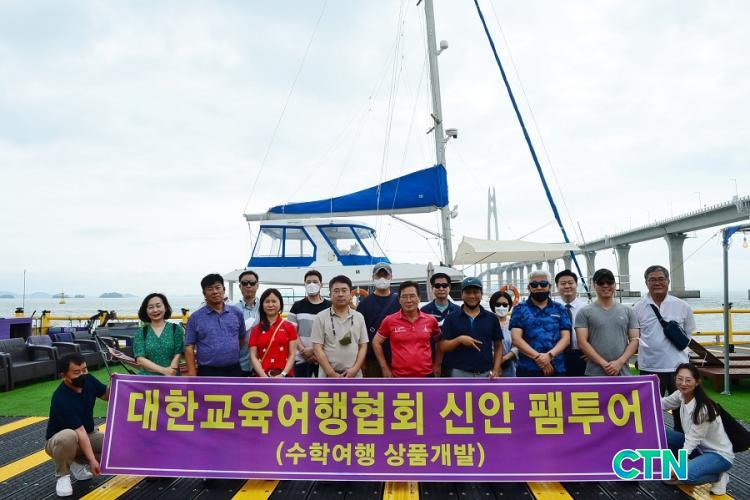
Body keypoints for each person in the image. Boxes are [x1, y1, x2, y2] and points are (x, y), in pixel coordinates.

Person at [662, 363, 732, 495]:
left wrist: (678, 467)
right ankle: (695, 465)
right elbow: (661, 403)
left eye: (688, 380)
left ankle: (719, 475)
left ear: (697, 382)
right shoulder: (680, 394)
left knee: (684, 474)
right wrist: (652, 386)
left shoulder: (702, 409)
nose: (683, 383)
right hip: (699, 448)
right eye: (679, 379)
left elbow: (691, 441)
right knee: (661, 436)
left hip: (718, 454)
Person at [45, 353, 109, 497]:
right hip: (59, 442)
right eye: (76, 372)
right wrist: (92, 460)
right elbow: (79, 432)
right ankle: (63, 476)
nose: (82, 375)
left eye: (84, 370)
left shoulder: (89, 380)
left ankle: (75, 462)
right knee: (69, 436)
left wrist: (117, 382)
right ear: (64, 375)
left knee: (112, 447)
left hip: (88, 434)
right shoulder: (61, 397)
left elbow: (107, 395)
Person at [634, 265, 696, 395]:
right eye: (652, 280)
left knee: (681, 405)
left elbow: (689, 333)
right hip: (649, 366)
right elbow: (635, 337)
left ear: (668, 281)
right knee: (650, 405)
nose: (657, 283)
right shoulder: (637, 308)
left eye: (661, 279)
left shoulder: (683, 306)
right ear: (646, 283)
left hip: (679, 367)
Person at [575, 269, 640, 376]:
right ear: (594, 285)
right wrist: (604, 364)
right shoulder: (584, 312)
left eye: (609, 282)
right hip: (594, 373)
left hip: (623, 372)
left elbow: (635, 340)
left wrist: (619, 362)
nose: (605, 285)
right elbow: (582, 342)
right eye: (601, 283)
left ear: (615, 285)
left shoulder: (628, 311)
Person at [373, 280, 441, 378]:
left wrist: (437, 364)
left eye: (412, 296)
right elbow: (376, 342)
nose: (408, 300)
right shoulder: (389, 320)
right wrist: (384, 368)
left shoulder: (431, 320)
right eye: (404, 297)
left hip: (426, 375)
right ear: (399, 300)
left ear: (419, 298)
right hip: (399, 377)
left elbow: (439, 341)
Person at [510, 270, 571, 377]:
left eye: (543, 284)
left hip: (557, 367)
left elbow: (566, 339)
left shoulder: (560, 308)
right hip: (527, 368)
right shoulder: (519, 309)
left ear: (549, 286)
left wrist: (549, 356)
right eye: (534, 284)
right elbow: (516, 339)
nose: (539, 287)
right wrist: (539, 358)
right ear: (529, 288)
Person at [439, 277, 504, 378]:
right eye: (468, 292)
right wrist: (459, 340)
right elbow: (443, 346)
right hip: (459, 373)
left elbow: (498, 346)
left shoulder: (492, 318)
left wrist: (496, 368)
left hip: (486, 374)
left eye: (476, 292)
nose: (472, 296)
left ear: (481, 294)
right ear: (462, 294)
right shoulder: (451, 318)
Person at [185, 273, 246, 377]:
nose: (215, 292)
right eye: (210, 289)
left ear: (224, 289)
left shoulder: (236, 313)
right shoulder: (195, 317)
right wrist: (192, 374)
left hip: (234, 369)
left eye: (218, 287)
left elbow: (241, 338)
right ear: (204, 294)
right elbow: (189, 346)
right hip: (207, 371)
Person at [311, 275, 368, 378]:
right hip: (327, 376)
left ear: (350, 294)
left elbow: (363, 346)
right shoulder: (320, 317)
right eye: (336, 291)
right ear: (330, 294)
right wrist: (331, 373)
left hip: (354, 375)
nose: (340, 294)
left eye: (344, 290)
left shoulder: (359, 317)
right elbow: (317, 348)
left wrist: (355, 369)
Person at [357, 262, 400, 377]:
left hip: (398, 357)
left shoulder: (399, 301)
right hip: (372, 359)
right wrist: (362, 361)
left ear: (391, 277)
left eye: (385, 276)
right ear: (373, 278)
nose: (382, 279)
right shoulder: (364, 304)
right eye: (378, 276)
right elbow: (359, 334)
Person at [288, 269, 331, 377]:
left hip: (324, 358)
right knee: (300, 387)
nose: (312, 284)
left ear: (321, 285)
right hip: (301, 358)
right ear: (305, 284)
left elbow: (332, 333)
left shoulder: (330, 306)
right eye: (308, 282)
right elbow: (291, 331)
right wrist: (303, 350)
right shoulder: (297, 306)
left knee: (323, 387)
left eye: (315, 282)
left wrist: (314, 351)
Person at [249, 288, 298, 377]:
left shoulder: (290, 327)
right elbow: (253, 355)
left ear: (280, 304)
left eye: (274, 301)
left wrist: (283, 374)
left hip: (285, 377)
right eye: (267, 301)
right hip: (262, 378)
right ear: (262, 305)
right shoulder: (256, 329)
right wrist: (264, 377)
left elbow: (293, 354)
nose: (270, 304)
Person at [133, 293, 185, 376]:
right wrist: (164, 371)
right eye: (150, 307)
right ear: (146, 310)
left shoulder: (175, 329)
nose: (155, 310)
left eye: (158, 306)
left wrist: (171, 369)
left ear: (165, 307)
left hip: (172, 377)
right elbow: (140, 359)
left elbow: (178, 352)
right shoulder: (141, 332)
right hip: (148, 379)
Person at [555, 269, 588, 376]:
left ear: (576, 285)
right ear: (557, 286)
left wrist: (592, 353)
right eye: (563, 283)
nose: (567, 286)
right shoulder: (553, 308)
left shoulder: (586, 308)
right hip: (558, 355)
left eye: (570, 283)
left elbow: (596, 332)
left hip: (582, 355)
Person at [235, 270, 260, 377]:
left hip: (263, 364)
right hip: (239, 364)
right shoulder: (233, 310)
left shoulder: (265, 307)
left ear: (257, 285)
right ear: (240, 286)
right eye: (244, 283)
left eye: (252, 283)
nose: (248, 286)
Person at [489, 289, 519, 377]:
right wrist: (497, 362)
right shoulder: (487, 323)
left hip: (511, 367)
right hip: (490, 368)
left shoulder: (514, 324)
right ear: (493, 305)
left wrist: (505, 358)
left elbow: (518, 344)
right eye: (498, 304)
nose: (501, 307)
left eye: (505, 304)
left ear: (509, 306)